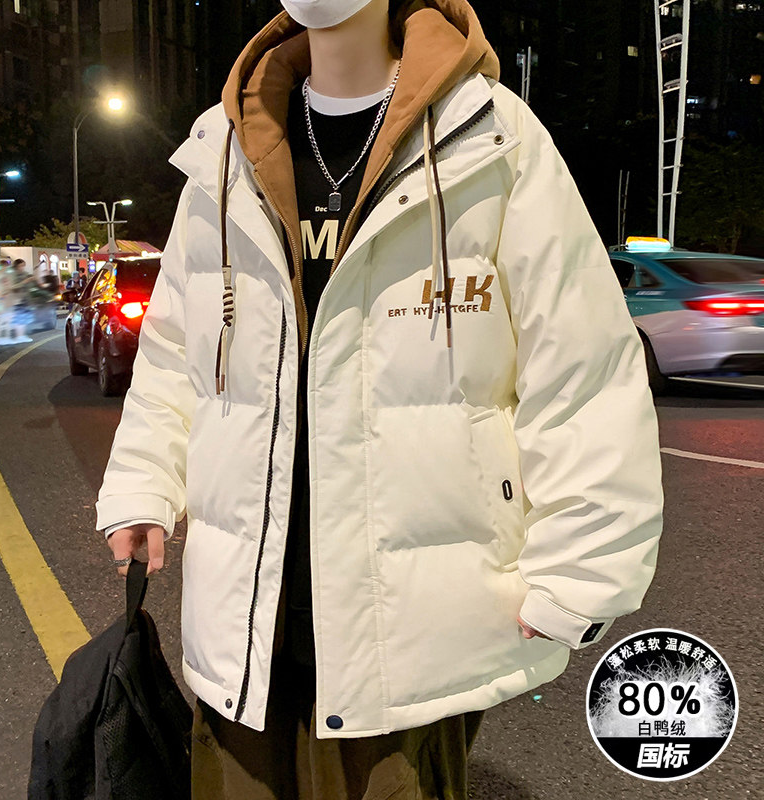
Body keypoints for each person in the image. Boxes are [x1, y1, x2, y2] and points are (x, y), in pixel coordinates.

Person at [97, 1, 664, 797]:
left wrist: (585, 569)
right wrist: (142, 483)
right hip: (244, 618)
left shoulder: (487, 133)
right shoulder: (223, 149)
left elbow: (581, 366)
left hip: (411, 626)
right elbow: (176, 356)